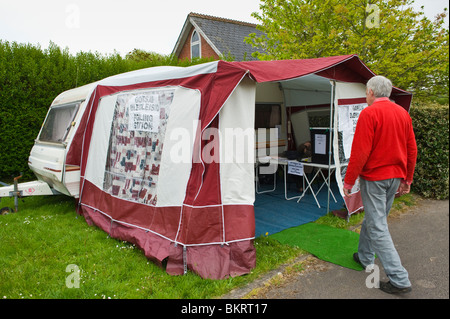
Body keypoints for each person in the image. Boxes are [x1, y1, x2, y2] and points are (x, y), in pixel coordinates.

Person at [343, 75, 417, 294]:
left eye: (366, 92)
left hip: (375, 178)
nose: (366, 96)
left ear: (371, 92)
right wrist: (407, 178)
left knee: (377, 225)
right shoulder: (402, 113)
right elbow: (411, 149)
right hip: (395, 177)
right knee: (376, 219)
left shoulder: (369, 113)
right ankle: (365, 257)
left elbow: (360, 151)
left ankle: (399, 278)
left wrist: (349, 181)